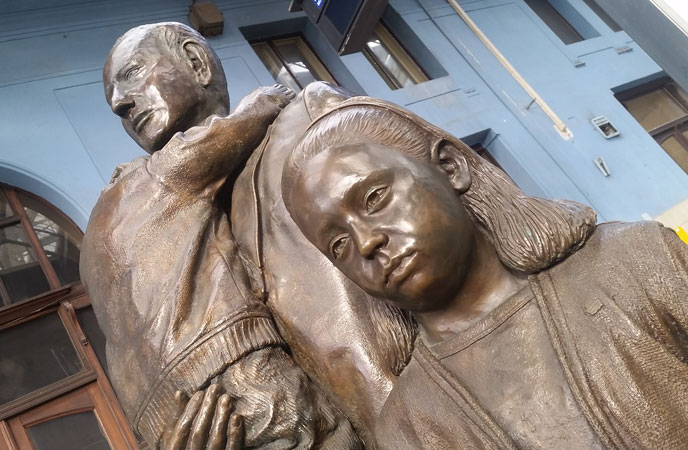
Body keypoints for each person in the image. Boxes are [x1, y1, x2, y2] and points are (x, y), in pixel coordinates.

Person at [282, 97, 688, 449]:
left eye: (374, 198)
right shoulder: (411, 425)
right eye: (339, 244)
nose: (367, 243)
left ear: (450, 167)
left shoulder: (634, 260)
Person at [81, 23, 365, 448]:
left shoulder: (311, 120)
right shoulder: (152, 181)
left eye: (133, 73)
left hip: (165, 423)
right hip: (236, 378)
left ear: (195, 61)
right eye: (114, 98)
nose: (121, 104)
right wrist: (266, 100)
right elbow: (212, 143)